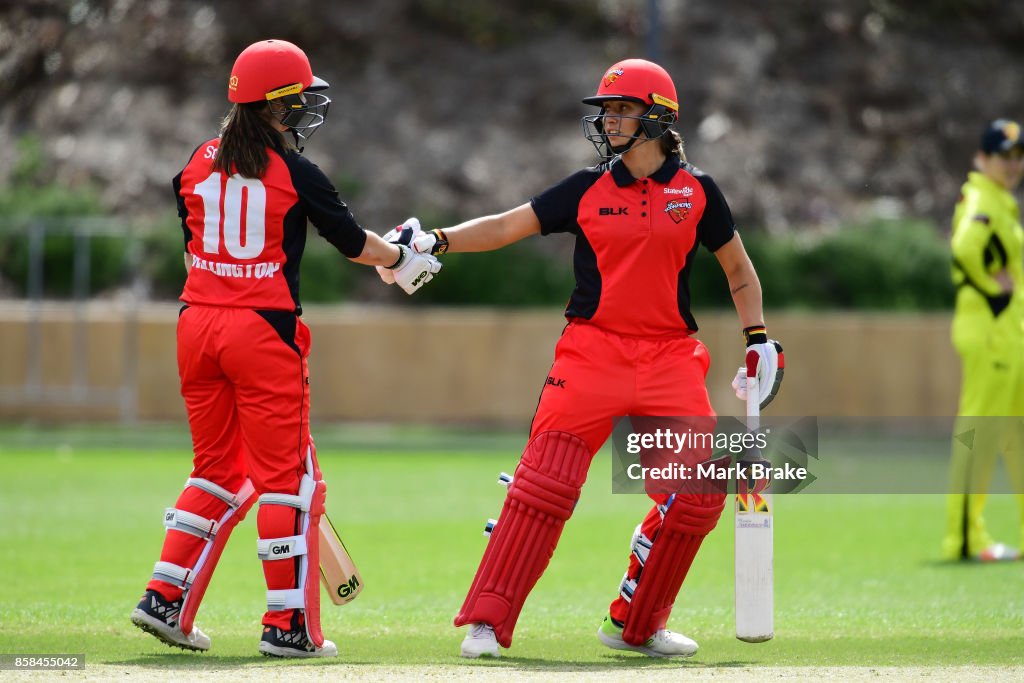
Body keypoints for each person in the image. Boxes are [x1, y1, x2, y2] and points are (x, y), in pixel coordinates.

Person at [383, 58, 783, 658]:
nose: (610, 121)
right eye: (608, 111)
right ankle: (487, 623)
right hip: (592, 352)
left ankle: (636, 623)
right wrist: (436, 238)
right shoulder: (585, 189)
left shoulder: (698, 192)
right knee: (544, 487)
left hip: (671, 357)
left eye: (623, 110)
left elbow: (739, 271)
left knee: (699, 491)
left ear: (658, 118)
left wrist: (759, 340)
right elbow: (503, 226)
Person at [129, 39, 441, 657]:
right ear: (275, 105)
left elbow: (192, 228)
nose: (305, 109)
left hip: (196, 325)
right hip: (262, 333)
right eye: (298, 99)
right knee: (289, 484)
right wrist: (402, 257)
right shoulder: (295, 172)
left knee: (216, 472)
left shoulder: (197, 159)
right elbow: (355, 244)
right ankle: (288, 627)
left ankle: (165, 598)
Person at [943, 118, 1024, 562]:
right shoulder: (981, 198)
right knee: (981, 432)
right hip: (990, 336)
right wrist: (995, 293)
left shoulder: (1000, 201)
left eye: (1017, 156)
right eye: (1003, 155)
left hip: (1008, 336)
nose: (1012, 164)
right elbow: (964, 247)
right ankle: (965, 538)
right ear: (984, 158)